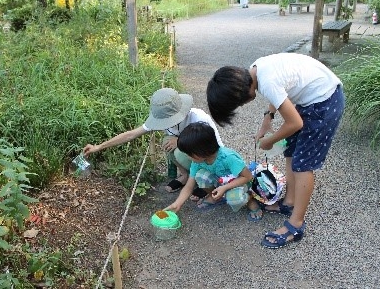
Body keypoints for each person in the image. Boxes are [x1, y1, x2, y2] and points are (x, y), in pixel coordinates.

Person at [206, 52, 345, 248]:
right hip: (311, 100)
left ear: (240, 95)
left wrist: (269, 140)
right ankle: (289, 202)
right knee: (291, 151)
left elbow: (294, 123)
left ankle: (296, 224)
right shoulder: (254, 70)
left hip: (325, 101)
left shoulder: (267, 82)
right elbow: (281, 91)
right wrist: (268, 118)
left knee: (303, 164)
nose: (242, 105)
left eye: (238, 104)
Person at [83, 87, 224, 198]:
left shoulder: (198, 118)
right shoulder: (163, 117)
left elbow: (216, 149)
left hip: (206, 157)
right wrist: (98, 147)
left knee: (181, 152)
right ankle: (185, 176)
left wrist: (180, 141)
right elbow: (130, 135)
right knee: (167, 142)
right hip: (190, 153)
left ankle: (205, 183)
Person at [164, 122, 253, 212]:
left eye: (189, 154)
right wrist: (177, 203)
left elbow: (248, 177)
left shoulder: (228, 157)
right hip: (221, 182)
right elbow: (189, 186)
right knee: (201, 176)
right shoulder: (197, 161)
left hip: (239, 183)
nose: (187, 157)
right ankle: (216, 196)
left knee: (235, 199)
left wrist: (225, 188)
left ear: (201, 152)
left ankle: (251, 198)